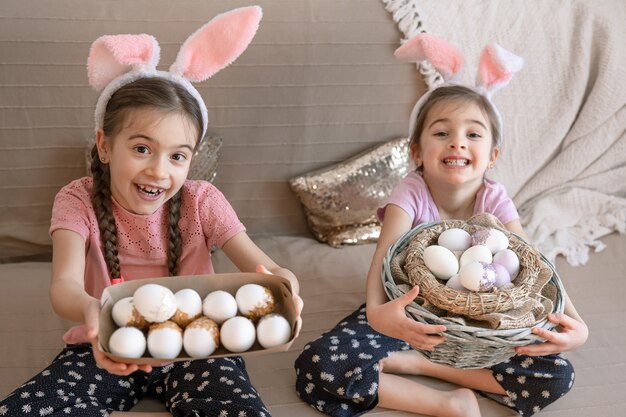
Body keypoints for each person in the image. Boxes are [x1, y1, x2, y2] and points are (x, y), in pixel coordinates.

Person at [0, 7, 302, 417]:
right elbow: (63, 287)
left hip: (202, 344)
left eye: (177, 156)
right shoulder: (77, 200)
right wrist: (94, 311)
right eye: (142, 148)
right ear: (104, 146)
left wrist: (285, 287)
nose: (159, 171)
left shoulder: (202, 201)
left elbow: (264, 269)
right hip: (105, 343)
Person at [294, 34, 588, 417]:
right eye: (441, 133)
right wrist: (379, 312)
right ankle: (447, 403)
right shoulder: (411, 191)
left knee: (557, 375)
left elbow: (537, 268)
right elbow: (384, 255)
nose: (457, 143)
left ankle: (422, 365)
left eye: (473, 134)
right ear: (417, 152)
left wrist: (576, 325)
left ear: (492, 155)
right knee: (317, 367)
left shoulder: (494, 200)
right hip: (413, 315)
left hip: (483, 326)